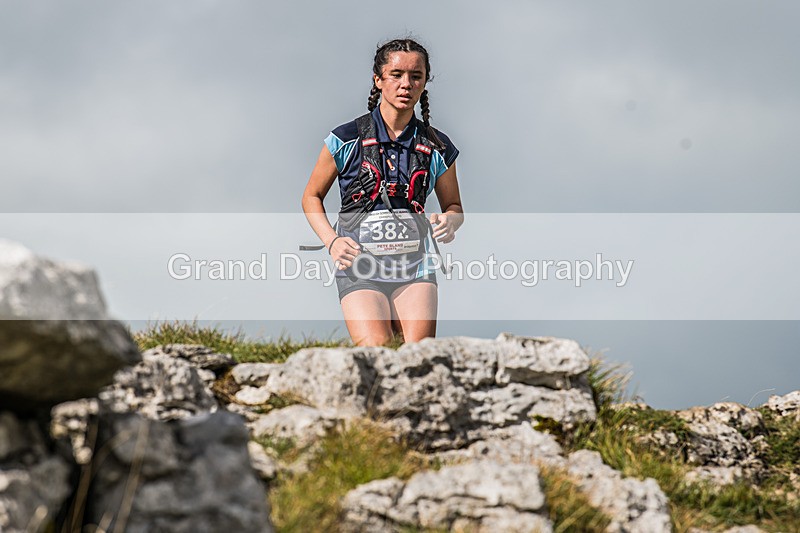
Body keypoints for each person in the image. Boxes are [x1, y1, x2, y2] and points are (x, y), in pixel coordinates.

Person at [301, 38, 463, 346]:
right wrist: (331, 241)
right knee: (376, 350)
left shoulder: (438, 146)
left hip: (416, 266)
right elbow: (311, 196)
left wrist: (450, 221)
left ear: (425, 81)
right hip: (360, 265)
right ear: (378, 80)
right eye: (396, 75)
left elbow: (454, 205)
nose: (406, 84)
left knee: (418, 356)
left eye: (416, 76)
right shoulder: (344, 139)